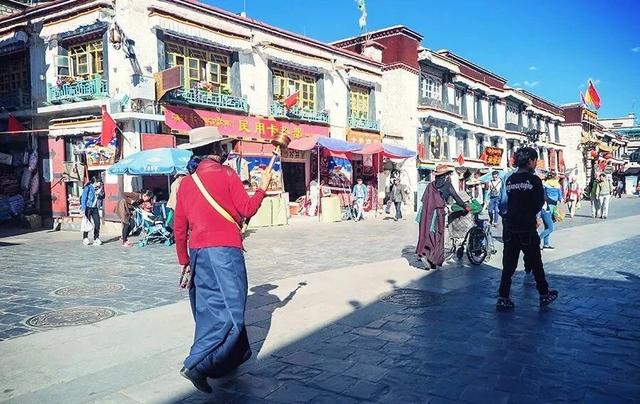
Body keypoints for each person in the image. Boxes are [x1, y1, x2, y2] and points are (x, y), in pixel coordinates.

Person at [173, 127, 273, 393]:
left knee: (208, 311)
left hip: (198, 255)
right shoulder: (227, 174)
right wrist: (262, 189)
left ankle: (226, 363)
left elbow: (179, 228)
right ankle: (198, 365)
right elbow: (247, 209)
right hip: (224, 253)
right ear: (217, 150)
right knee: (230, 314)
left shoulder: (186, 182)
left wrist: (184, 260)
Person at [497, 147, 558, 310]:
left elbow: (503, 203)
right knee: (536, 263)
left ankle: (503, 297)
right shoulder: (534, 180)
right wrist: (532, 216)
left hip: (510, 227)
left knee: (508, 266)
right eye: (535, 160)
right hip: (527, 228)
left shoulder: (509, 180)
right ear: (530, 161)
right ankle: (544, 294)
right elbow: (539, 203)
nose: (535, 163)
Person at [416, 164, 467, 269]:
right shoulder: (447, 185)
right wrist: (465, 206)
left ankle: (425, 254)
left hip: (426, 214)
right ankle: (433, 258)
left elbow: (424, 201)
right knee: (438, 236)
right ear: (446, 176)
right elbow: (456, 197)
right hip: (438, 214)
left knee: (427, 233)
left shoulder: (430, 185)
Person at [539, 173, 561, 250]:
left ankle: (546, 244)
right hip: (547, 209)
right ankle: (536, 241)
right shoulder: (555, 186)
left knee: (547, 227)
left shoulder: (545, 185)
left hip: (546, 209)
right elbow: (559, 197)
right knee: (550, 228)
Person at [80, 177, 104, 246]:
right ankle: (85, 237)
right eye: (99, 182)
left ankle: (96, 238)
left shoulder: (99, 188)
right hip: (88, 207)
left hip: (95, 207)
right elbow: (84, 198)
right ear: (96, 182)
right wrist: (83, 209)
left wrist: (100, 192)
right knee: (87, 222)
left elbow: (102, 197)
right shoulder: (88, 188)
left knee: (97, 223)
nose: (100, 183)